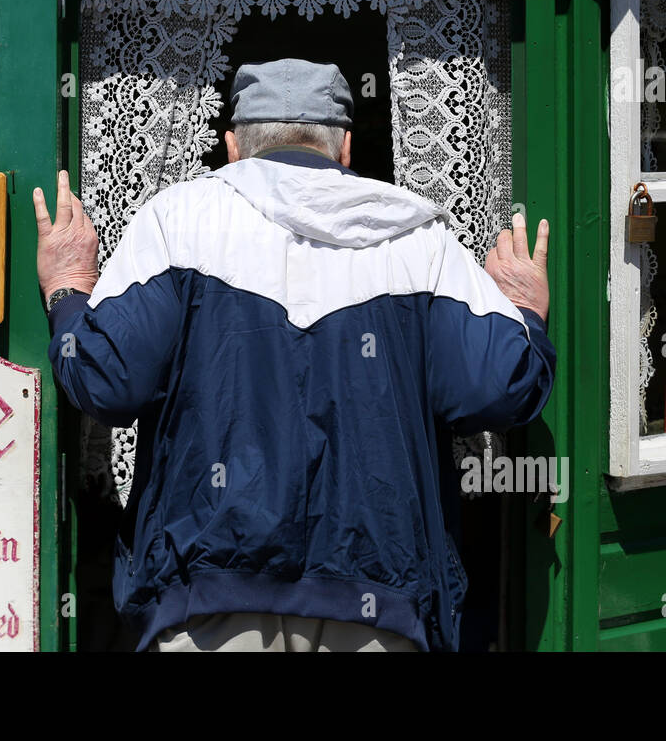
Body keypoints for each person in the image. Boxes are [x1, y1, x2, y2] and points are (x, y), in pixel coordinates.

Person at [34, 58, 555, 653]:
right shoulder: (417, 237)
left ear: (231, 147)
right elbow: (501, 390)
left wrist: (70, 290)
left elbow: (105, 382)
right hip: (376, 606)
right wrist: (523, 314)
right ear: (347, 147)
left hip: (207, 607)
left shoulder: (176, 222)